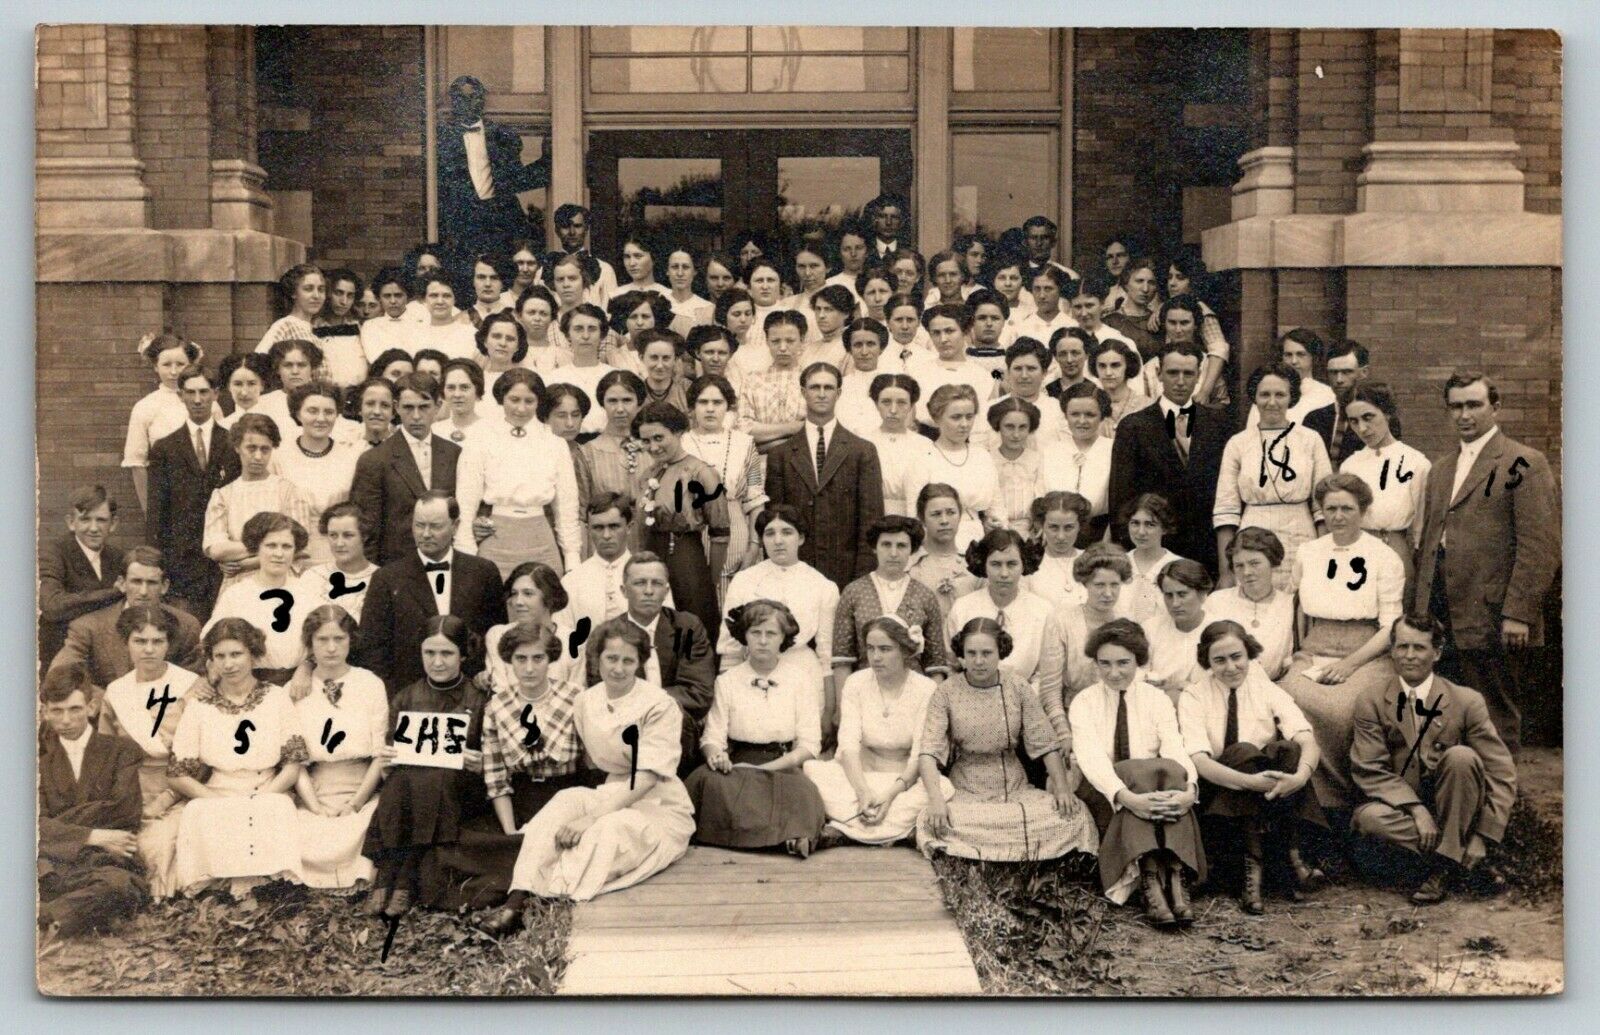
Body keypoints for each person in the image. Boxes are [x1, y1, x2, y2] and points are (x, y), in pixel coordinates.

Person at [1412, 372, 1557, 756]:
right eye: (1456, 406)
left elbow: (1540, 547)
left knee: (1494, 716)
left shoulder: (1524, 462)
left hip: (1491, 613)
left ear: (1495, 407)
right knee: (1444, 713)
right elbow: (1430, 542)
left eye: (1474, 405)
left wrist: (1519, 613)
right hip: (1441, 609)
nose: (1464, 414)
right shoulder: (1442, 468)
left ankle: (1502, 806)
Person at [504, 619, 695, 903]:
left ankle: (546, 896)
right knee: (565, 800)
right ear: (597, 658)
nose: (618, 668)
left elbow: (648, 777)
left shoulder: (658, 704)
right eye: (611, 658)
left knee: (607, 828)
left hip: (657, 803)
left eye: (628, 661)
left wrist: (591, 817)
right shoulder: (586, 701)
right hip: (611, 791)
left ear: (640, 662)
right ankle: (518, 894)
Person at [1349, 612, 1518, 905]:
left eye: (1419, 648)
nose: (1409, 656)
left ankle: (1442, 865)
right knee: (1368, 818)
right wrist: (1416, 810)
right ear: (1391, 651)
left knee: (1461, 757)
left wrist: (1482, 836)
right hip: (1404, 811)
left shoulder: (1467, 700)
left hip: (1456, 808)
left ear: (1437, 653)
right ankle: (1455, 861)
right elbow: (1368, 768)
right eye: (1402, 647)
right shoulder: (1372, 700)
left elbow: (1500, 773)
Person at [917, 617, 1097, 862]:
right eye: (971, 653)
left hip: (1014, 786)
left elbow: (1045, 744)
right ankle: (1013, 851)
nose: (979, 661)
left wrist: (1063, 790)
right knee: (935, 819)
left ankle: (981, 852)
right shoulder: (946, 692)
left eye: (987, 653)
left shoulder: (1017, 686)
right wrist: (937, 799)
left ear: (1000, 652)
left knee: (1074, 814)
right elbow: (928, 752)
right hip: (967, 787)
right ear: (962, 654)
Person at [1180, 620, 1325, 914]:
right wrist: (1252, 783)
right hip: (1218, 793)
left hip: (1266, 793)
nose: (1231, 667)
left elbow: (1308, 739)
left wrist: (1298, 777)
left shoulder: (1265, 689)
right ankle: (1262, 868)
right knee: (1244, 751)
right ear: (1207, 662)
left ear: (1249, 654)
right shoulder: (1193, 696)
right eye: (1219, 660)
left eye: (1237, 657)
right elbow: (1200, 763)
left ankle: (1289, 852)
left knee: (1288, 750)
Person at [1279, 473, 1405, 808]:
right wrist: (1295, 652)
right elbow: (1293, 607)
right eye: (1330, 508)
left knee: (1342, 707)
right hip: (1315, 646)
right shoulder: (1309, 551)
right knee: (1284, 696)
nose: (1338, 516)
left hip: (1367, 652)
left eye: (1347, 508)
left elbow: (1391, 627)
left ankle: (1338, 800)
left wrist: (1350, 664)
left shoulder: (1384, 556)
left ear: (1362, 510)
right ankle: (1301, 800)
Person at [1069, 619, 1203, 925]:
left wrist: (1189, 791)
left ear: (1138, 662)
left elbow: (1175, 747)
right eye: (1105, 664)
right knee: (1134, 770)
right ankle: (1151, 881)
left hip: (1151, 794)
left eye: (1123, 663)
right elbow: (1091, 760)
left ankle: (1172, 878)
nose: (1114, 672)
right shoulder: (1084, 703)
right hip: (1106, 793)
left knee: (1170, 770)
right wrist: (1126, 797)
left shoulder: (1156, 700)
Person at [167, 618, 307, 897]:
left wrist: (264, 795)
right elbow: (179, 775)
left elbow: (292, 767)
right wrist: (213, 798)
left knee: (275, 809)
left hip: (267, 787)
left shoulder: (276, 698)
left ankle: (260, 885)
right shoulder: (200, 705)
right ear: (211, 661)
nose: (229, 664)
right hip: (217, 790)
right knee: (198, 812)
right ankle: (225, 885)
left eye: (236, 654)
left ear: (253, 654)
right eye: (220, 656)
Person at [363, 616, 490, 918]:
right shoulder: (407, 696)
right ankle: (387, 875)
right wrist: (388, 757)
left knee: (431, 778)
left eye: (446, 653)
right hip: (411, 786)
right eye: (429, 653)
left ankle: (402, 876)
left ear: (462, 655)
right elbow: (394, 752)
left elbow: (491, 752)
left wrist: (480, 761)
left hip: (460, 787)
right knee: (399, 781)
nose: (437, 662)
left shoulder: (479, 697)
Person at [686, 600, 829, 856]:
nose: (763, 641)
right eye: (755, 633)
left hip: (782, 764)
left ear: (783, 638)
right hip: (736, 765)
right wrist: (716, 756)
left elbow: (810, 745)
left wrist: (764, 768)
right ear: (744, 637)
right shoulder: (727, 681)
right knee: (709, 785)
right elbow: (712, 737)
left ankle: (787, 836)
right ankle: (780, 835)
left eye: (771, 633)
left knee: (803, 792)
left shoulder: (800, 680)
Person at [807, 616, 952, 846]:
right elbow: (848, 745)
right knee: (812, 771)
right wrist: (863, 791)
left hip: (902, 782)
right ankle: (897, 830)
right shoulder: (856, 682)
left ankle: (848, 828)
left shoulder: (926, 688)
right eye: (871, 648)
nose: (875, 657)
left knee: (942, 787)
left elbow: (920, 754)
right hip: (859, 777)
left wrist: (889, 795)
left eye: (885, 649)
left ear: (905, 651)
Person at [95, 604, 200, 899]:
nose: (149, 650)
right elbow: (107, 756)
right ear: (126, 643)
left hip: (181, 787)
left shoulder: (190, 687)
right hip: (132, 790)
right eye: (140, 641)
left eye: (158, 641)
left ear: (169, 643)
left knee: (159, 843)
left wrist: (166, 799)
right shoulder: (116, 692)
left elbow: (203, 757)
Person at [356, 492, 506, 697]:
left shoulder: (484, 572)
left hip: (472, 696)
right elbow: (373, 648)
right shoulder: (387, 578)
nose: (425, 534)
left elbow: (495, 636)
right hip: (409, 697)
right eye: (419, 525)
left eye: (435, 526)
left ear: (455, 526)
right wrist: (396, 697)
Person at [37, 664, 146, 936]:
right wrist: (92, 835)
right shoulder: (36, 763)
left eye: (75, 709)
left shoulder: (122, 751)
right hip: (51, 862)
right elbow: (29, 825)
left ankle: (46, 916)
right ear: (45, 712)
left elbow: (125, 812)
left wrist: (57, 825)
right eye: (57, 711)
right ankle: (60, 916)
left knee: (120, 886)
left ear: (91, 707)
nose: (66, 720)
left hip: (105, 861)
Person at [585, 551, 714, 775]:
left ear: (666, 590)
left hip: (677, 731)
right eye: (639, 583)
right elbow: (602, 690)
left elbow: (698, 693)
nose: (648, 590)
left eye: (656, 583)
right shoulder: (607, 634)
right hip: (624, 730)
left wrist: (651, 708)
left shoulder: (687, 628)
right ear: (624, 590)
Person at [1108, 342, 1229, 574]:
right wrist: (1128, 550)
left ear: (1199, 376)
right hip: (1153, 547)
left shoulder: (1219, 425)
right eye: (1173, 373)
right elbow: (1120, 495)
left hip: (1205, 548)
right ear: (1159, 374)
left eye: (1188, 373)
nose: (1181, 381)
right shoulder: (1134, 426)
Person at [763, 361, 885, 589]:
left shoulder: (862, 450)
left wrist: (862, 577)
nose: (821, 394)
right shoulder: (780, 454)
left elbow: (871, 519)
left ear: (838, 393)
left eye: (828, 388)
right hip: (796, 569)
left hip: (846, 570)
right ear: (803, 392)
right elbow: (775, 518)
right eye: (814, 387)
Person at [291, 605, 388, 890]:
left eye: (339, 639)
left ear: (350, 641)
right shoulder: (296, 689)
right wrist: (315, 807)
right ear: (309, 644)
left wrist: (355, 803)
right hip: (314, 788)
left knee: (365, 824)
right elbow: (293, 759)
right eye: (322, 640)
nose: (331, 648)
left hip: (362, 788)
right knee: (304, 828)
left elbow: (381, 753)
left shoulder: (370, 683)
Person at [455, 368, 583, 578]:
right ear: (501, 398)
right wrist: (466, 551)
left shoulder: (554, 443)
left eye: (529, 401)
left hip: (540, 538)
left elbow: (567, 508)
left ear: (538, 402)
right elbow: (466, 501)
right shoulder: (481, 437)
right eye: (514, 399)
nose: (521, 409)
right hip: (495, 538)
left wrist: (572, 557)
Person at [946, 529, 1069, 746]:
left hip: (1024, 713)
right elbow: (952, 667)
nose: (1004, 573)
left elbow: (1045, 677)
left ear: (1024, 565)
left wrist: (1017, 705)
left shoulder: (1042, 610)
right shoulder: (963, 607)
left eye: (1012, 564)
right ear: (983, 564)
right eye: (996, 564)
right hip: (970, 711)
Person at [1215, 365, 1333, 589]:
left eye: (1280, 394)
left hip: (1300, 533)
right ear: (1254, 398)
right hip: (1252, 533)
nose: (1272, 402)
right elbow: (1225, 510)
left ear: (1291, 398)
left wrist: (1323, 556)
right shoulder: (1238, 443)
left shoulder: (1310, 439)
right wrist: (1226, 572)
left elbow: (1323, 505)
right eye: (1264, 395)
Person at [719, 507, 839, 721]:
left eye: (787, 532)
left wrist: (829, 711)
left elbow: (826, 653)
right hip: (753, 674)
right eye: (770, 533)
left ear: (801, 538)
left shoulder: (822, 585)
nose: (778, 540)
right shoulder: (744, 580)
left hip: (805, 677)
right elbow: (730, 650)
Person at [147, 367, 242, 618]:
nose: (197, 399)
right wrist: (160, 565)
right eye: (190, 393)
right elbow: (157, 512)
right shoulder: (164, 448)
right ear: (181, 396)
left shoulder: (234, 444)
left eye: (203, 392)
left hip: (226, 562)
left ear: (216, 394)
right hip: (182, 563)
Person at [632, 401, 729, 643]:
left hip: (686, 555)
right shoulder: (648, 475)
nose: (652, 446)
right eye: (646, 441)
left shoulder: (701, 473)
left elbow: (720, 534)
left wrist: (711, 579)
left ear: (677, 432)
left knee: (694, 621)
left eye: (658, 437)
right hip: (652, 554)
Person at [50, 547, 203, 689]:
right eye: (136, 582)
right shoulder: (89, 626)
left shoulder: (186, 626)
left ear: (164, 586)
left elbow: (194, 681)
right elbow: (60, 673)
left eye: (151, 583)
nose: (143, 591)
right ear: (122, 584)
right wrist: (109, 699)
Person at [349, 372, 462, 565]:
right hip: (395, 567)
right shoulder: (374, 460)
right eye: (408, 408)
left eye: (424, 407)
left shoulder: (454, 453)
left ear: (438, 406)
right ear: (396, 408)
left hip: (446, 563)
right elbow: (366, 529)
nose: (416, 416)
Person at [436, 75, 549, 254]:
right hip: (462, 224)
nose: (467, 103)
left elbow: (516, 179)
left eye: (473, 97)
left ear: (482, 99)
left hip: (499, 221)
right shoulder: (441, 138)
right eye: (461, 98)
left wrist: (549, 160)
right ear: (453, 102)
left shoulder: (502, 136)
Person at [201, 414, 312, 595]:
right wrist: (273, 545)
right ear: (237, 447)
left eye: (265, 449)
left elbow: (301, 546)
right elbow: (216, 549)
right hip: (238, 586)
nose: (258, 456)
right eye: (251, 448)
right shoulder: (223, 495)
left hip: (282, 583)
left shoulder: (288, 491)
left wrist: (247, 563)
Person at [832, 515, 949, 685]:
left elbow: (936, 663)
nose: (893, 553)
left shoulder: (925, 595)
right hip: (865, 689)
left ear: (912, 550)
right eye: (886, 545)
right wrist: (845, 705)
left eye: (901, 546)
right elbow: (842, 658)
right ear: (874, 547)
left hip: (913, 692)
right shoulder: (854, 592)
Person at [204, 512, 317, 685]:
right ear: (257, 548)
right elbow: (211, 642)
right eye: (271, 546)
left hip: (301, 683)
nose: (279, 554)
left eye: (286, 546)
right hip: (252, 684)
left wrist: (307, 667)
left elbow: (324, 639)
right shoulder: (237, 594)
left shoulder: (308, 591)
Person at [681, 374, 767, 595]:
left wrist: (754, 546)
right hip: (692, 533)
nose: (710, 409)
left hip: (735, 529)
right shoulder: (680, 442)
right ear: (692, 407)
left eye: (717, 402)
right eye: (703, 402)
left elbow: (755, 500)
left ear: (728, 406)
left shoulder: (744, 443)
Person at [1338, 382, 1431, 585]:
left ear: (1387, 413)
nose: (1362, 428)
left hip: (1396, 551)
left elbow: (1421, 528)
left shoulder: (1416, 463)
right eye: (1354, 421)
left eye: (1368, 417)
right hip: (1356, 554)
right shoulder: (1350, 465)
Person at [39, 485, 124, 675]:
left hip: (104, 663)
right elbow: (52, 606)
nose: (93, 528)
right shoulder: (54, 553)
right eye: (85, 519)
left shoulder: (118, 557)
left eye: (101, 520)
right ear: (71, 522)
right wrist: (113, 593)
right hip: (61, 661)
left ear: (113, 524)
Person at [275, 381, 362, 567]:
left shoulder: (351, 457)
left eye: (329, 412)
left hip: (339, 553)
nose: (321, 418)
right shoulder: (279, 457)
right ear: (298, 413)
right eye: (312, 411)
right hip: (292, 556)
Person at [123, 334, 210, 512]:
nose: (173, 372)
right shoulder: (146, 407)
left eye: (180, 364)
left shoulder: (209, 403)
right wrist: (151, 512)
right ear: (155, 366)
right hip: (167, 499)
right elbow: (137, 465)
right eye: (166, 364)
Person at [1206, 527, 1296, 679]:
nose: (1247, 572)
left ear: (1273, 563)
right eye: (1239, 566)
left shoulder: (1289, 605)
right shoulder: (1217, 601)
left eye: (1254, 563)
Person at [920, 384, 1002, 551]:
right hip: (938, 547)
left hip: (981, 544)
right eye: (956, 417)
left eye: (969, 416)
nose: (964, 424)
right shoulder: (923, 459)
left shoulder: (982, 456)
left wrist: (996, 524)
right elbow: (916, 519)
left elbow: (996, 505)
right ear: (937, 419)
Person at [1039, 382, 1115, 540]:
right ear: (1066, 415)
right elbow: (1040, 492)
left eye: (1090, 415)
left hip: (1101, 532)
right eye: (1075, 414)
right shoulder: (1052, 451)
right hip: (1056, 532)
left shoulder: (1112, 450)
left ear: (1102, 416)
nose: (1082, 421)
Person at [1058, 544, 1135, 698]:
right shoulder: (1062, 621)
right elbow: (1050, 687)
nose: (1108, 593)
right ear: (1085, 583)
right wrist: (1061, 722)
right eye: (1099, 585)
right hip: (1073, 710)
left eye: (1114, 585)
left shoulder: (1128, 622)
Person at [907, 304, 998, 427]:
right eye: (936, 333)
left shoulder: (983, 376)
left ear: (964, 332)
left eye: (949, 331)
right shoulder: (916, 373)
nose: (943, 339)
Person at [864, 373, 934, 517]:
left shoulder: (924, 445)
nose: (893, 410)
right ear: (876, 404)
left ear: (911, 406)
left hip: (913, 517)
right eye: (886, 402)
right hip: (872, 516)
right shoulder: (863, 442)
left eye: (901, 402)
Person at [908, 483, 981, 622]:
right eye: (936, 514)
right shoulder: (909, 567)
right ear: (922, 518)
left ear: (960, 516)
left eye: (951, 512)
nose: (944, 521)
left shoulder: (974, 566)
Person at [1141, 559, 1214, 699]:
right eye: (1169, 595)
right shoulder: (1150, 628)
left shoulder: (1220, 630)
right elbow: (1139, 676)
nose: (1175, 603)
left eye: (1182, 594)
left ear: (1202, 594)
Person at [737, 310, 809, 448]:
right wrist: (794, 427)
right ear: (767, 341)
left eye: (790, 341)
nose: (782, 348)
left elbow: (817, 429)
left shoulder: (812, 379)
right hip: (763, 463)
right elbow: (744, 429)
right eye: (775, 341)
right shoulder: (752, 380)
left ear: (802, 340)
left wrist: (767, 440)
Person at [545, 303, 618, 435]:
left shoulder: (615, 376)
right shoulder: (553, 378)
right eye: (578, 329)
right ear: (568, 335)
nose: (585, 336)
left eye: (592, 329)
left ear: (602, 335)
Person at [301, 502, 380, 621]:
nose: (339, 543)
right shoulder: (312, 577)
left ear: (364, 536)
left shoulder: (382, 578)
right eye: (333, 535)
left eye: (348, 535)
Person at [1247, 329, 1338, 431]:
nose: (1294, 361)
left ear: (1314, 357)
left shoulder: (1328, 395)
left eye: (1301, 354)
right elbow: (1251, 435)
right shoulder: (1266, 393)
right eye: (1288, 355)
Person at [579, 370, 648, 504]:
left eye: (627, 400)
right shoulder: (587, 453)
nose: (620, 408)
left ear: (639, 403)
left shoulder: (655, 447)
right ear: (602, 403)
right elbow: (582, 509)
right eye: (612, 401)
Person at [1119, 493, 1187, 624]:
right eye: (1135, 523)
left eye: (1150, 524)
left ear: (1164, 528)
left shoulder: (1178, 566)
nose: (1141, 532)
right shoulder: (1118, 563)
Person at [1023, 491, 1092, 613]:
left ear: (1079, 526)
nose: (1061, 536)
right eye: (1053, 527)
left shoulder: (1091, 560)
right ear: (1042, 525)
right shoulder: (1029, 564)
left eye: (1069, 527)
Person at [986, 397, 1046, 535]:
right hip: (995, 529)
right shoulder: (987, 460)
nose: (1016, 435)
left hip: (1030, 531)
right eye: (1009, 427)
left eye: (1022, 427)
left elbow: (1041, 496)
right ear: (998, 426)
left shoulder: (1037, 459)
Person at [541, 203, 620, 302]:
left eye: (577, 226)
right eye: (565, 226)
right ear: (557, 230)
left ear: (586, 229)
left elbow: (611, 313)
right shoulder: (545, 271)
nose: (572, 232)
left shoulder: (605, 270)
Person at [1308, 340, 1371, 465]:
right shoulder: (1314, 419)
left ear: (1363, 373)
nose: (1339, 379)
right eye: (1333, 372)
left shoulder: (1378, 419)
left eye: (1347, 372)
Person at [255, 338, 328, 446]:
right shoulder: (263, 403)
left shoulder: (325, 400)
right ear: (277, 369)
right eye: (288, 365)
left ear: (312, 368)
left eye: (302, 365)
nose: (295, 371)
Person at [314, 269, 369, 389]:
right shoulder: (313, 327)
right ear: (328, 293)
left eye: (350, 295)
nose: (344, 301)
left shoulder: (359, 328)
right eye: (338, 293)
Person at [255, 263, 326, 355]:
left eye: (321, 289)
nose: (316, 296)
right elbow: (257, 362)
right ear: (294, 293)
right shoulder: (285, 326)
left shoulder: (317, 328)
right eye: (308, 289)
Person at [1090, 338, 1152, 439]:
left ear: (1128, 366)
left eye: (1115, 365)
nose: (1108, 372)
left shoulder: (1146, 406)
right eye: (1102, 366)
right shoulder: (1087, 404)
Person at [434, 357, 498, 449]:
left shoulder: (491, 432)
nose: (457, 394)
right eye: (451, 387)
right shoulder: (435, 431)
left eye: (464, 387)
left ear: (477, 390)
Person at [217, 352, 274, 430]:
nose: (244, 392)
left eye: (251, 384)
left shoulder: (277, 422)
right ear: (228, 386)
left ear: (262, 385)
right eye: (238, 384)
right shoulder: (223, 427)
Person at [352, 376, 399, 450]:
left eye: (385, 405)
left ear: (393, 412)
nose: (377, 411)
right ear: (360, 409)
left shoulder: (402, 447)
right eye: (370, 404)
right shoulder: (348, 447)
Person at [866, 193, 908, 260]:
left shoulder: (908, 252)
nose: (888, 222)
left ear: (901, 221)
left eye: (894, 217)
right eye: (882, 216)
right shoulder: (865, 251)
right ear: (874, 219)